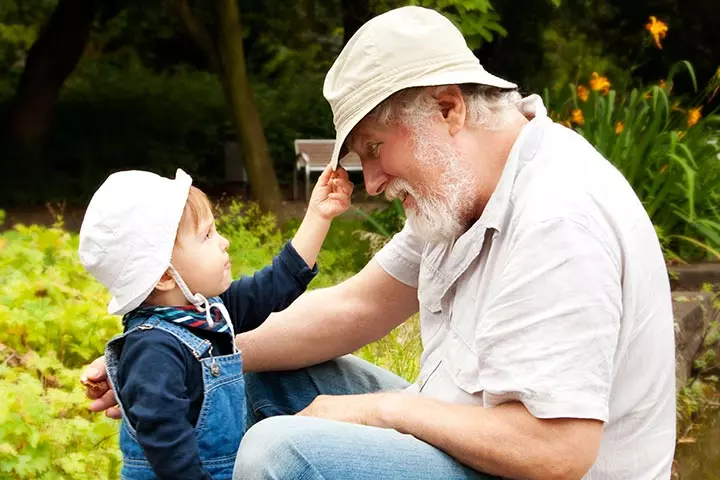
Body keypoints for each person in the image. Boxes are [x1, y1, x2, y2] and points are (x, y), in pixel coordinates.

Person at [83, 6, 677, 480]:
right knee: (250, 378)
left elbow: (558, 453)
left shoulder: (558, 215)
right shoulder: (463, 193)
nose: (373, 180)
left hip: (528, 466)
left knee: (281, 452)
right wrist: (172, 346)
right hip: (463, 431)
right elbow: (355, 307)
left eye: (372, 148)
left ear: (447, 109)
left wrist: (381, 410)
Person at [77, 165, 352, 479]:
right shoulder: (153, 350)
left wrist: (319, 216)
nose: (224, 243)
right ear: (165, 275)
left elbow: (276, 284)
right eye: (207, 235)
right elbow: (168, 449)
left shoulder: (210, 312)